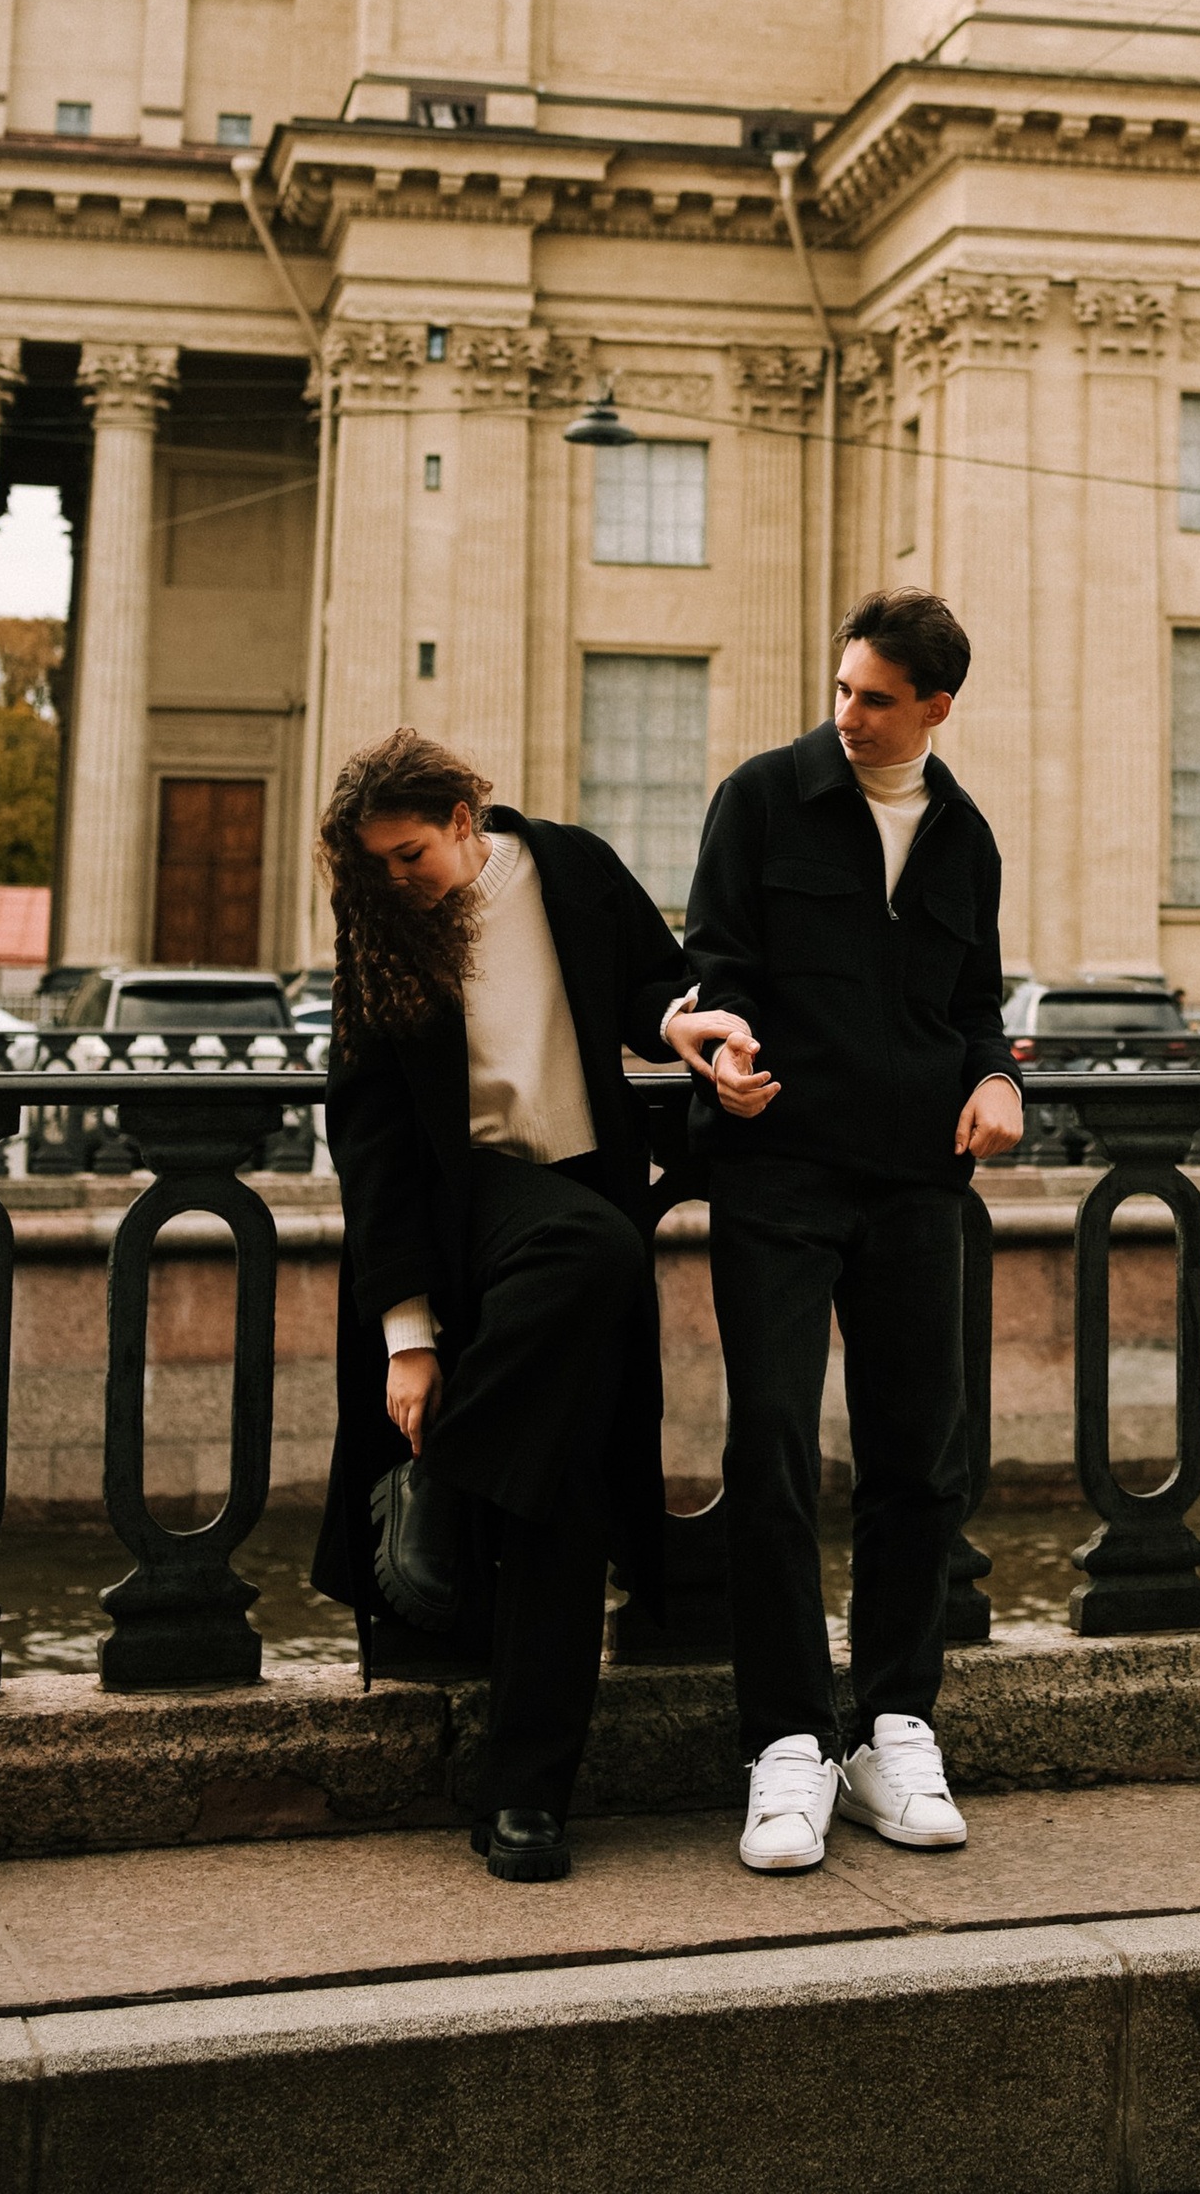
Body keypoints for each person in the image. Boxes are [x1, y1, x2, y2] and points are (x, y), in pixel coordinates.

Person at [310, 727, 749, 1886]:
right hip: (472, 1213)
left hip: (575, 1201)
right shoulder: (383, 923)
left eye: (410, 853)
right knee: (596, 1244)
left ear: (463, 815)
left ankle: (525, 1802)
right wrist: (408, 1340)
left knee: (564, 1503)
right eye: (378, 865)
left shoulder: (570, 866)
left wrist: (688, 1031)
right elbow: (370, 1140)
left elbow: (651, 986)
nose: (397, 879)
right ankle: (450, 1489)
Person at [666, 589, 1024, 1875]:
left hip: (919, 1183)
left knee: (919, 1460)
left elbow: (974, 1002)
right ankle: (784, 1747)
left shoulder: (966, 834)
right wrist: (728, 1046)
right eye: (842, 691)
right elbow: (716, 965)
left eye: (877, 699)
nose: (850, 717)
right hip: (778, 1171)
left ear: (936, 705)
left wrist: (997, 1079)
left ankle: (891, 1724)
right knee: (767, 1447)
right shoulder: (762, 799)